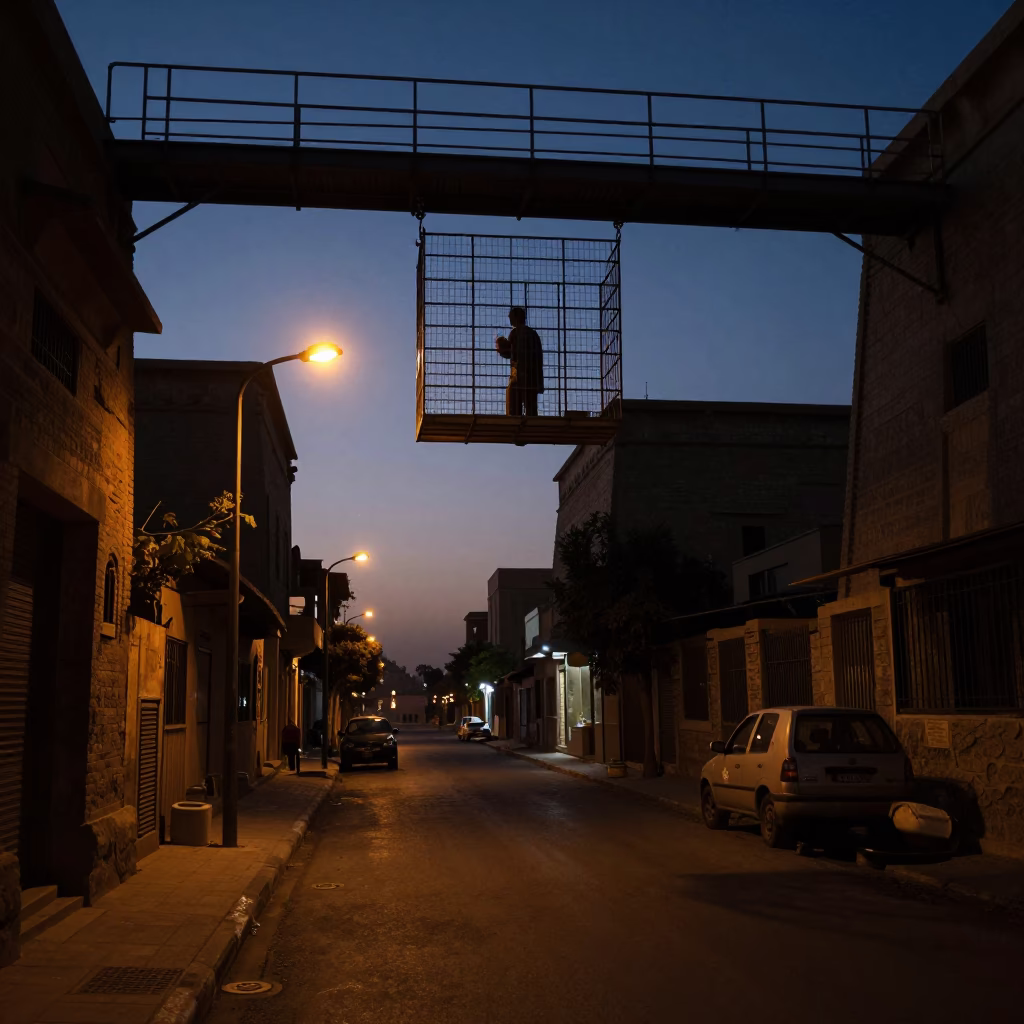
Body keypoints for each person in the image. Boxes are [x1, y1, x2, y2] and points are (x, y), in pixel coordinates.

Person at [495, 306, 544, 417]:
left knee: (513, 404)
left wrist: (501, 346)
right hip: (533, 377)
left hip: (519, 376)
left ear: (516, 317)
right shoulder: (533, 334)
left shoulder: (516, 333)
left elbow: (513, 353)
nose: (509, 319)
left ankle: (514, 425)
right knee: (531, 407)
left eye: (511, 317)